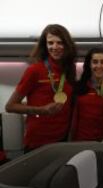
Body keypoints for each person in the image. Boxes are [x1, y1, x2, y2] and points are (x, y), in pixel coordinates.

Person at [5, 24, 77, 152]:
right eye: (50, 42)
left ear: (67, 45)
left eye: (60, 42)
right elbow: (10, 106)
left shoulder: (69, 70)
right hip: (39, 141)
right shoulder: (34, 70)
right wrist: (41, 110)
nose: (55, 47)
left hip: (62, 137)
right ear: (45, 45)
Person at [70, 47, 103, 141]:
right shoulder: (79, 88)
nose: (99, 66)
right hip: (78, 141)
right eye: (95, 62)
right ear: (89, 64)